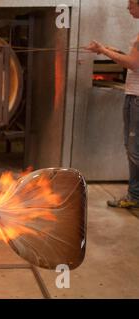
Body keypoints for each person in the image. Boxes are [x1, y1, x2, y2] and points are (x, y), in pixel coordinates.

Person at [86, 0, 139, 208]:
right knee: (133, 147)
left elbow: (132, 64)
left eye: (131, 4)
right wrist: (106, 49)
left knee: (134, 149)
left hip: (136, 99)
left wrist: (104, 51)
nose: (128, 9)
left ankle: (135, 196)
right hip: (134, 97)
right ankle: (134, 194)